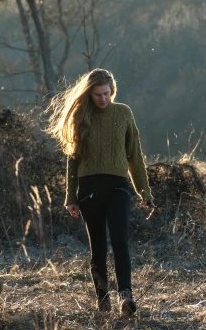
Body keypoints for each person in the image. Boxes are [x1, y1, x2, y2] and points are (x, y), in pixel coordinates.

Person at [47, 68, 154, 315]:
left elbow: (135, 156)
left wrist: (144, 191)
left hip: (118, 186)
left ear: (112, 91)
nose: (102, 99)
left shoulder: (124, 113)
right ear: (89, 94)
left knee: (119, 240)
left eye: (106, 94)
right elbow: (72, 161)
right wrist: (70, 197)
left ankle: (125, 297)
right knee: (98, 246)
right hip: (89, 189)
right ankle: (102, 299)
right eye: (97, 95)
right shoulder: (81, 117)